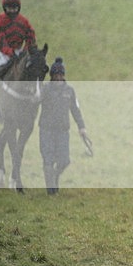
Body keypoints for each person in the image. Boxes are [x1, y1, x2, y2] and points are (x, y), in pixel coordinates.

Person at [39, 58, 88, 195]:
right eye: (56, 75)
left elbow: (75, 110)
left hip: (63, 131)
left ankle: (55, 177)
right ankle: (51, 191)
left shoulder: (70, 91)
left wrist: (81, 127)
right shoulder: (44, 90)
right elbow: (33, 103)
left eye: (61, 75)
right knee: (48, 160)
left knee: (64, 161)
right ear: (52, 76)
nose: (58, 78)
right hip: (46, 130)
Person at [0, 0, 37, 80]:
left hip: (18, 51)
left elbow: (31, 36)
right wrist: (11, 53)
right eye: (9, 9)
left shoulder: (23, 21)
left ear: (18, 8)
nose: (12, 11)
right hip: (2, 52)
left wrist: (26, 50)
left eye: (14, 8)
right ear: (5, 8)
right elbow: (1, 42)